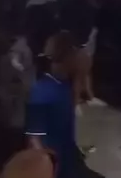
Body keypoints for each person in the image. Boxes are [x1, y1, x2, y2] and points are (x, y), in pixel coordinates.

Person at [24, 32, 80, 178]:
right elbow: (34, 138)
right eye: (74, 54)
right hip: (52, 168)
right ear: (66, 57)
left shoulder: (66, 85)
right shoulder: (41, 91)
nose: (78, 58)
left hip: (68, 164)